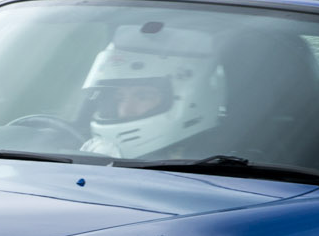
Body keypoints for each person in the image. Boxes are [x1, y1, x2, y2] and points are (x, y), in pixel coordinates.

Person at [78, 22, 222, 159]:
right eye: (119, 98)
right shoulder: (91, 153)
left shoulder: (217, 166)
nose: (125, 111)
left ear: (193, 101)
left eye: (142, 96)